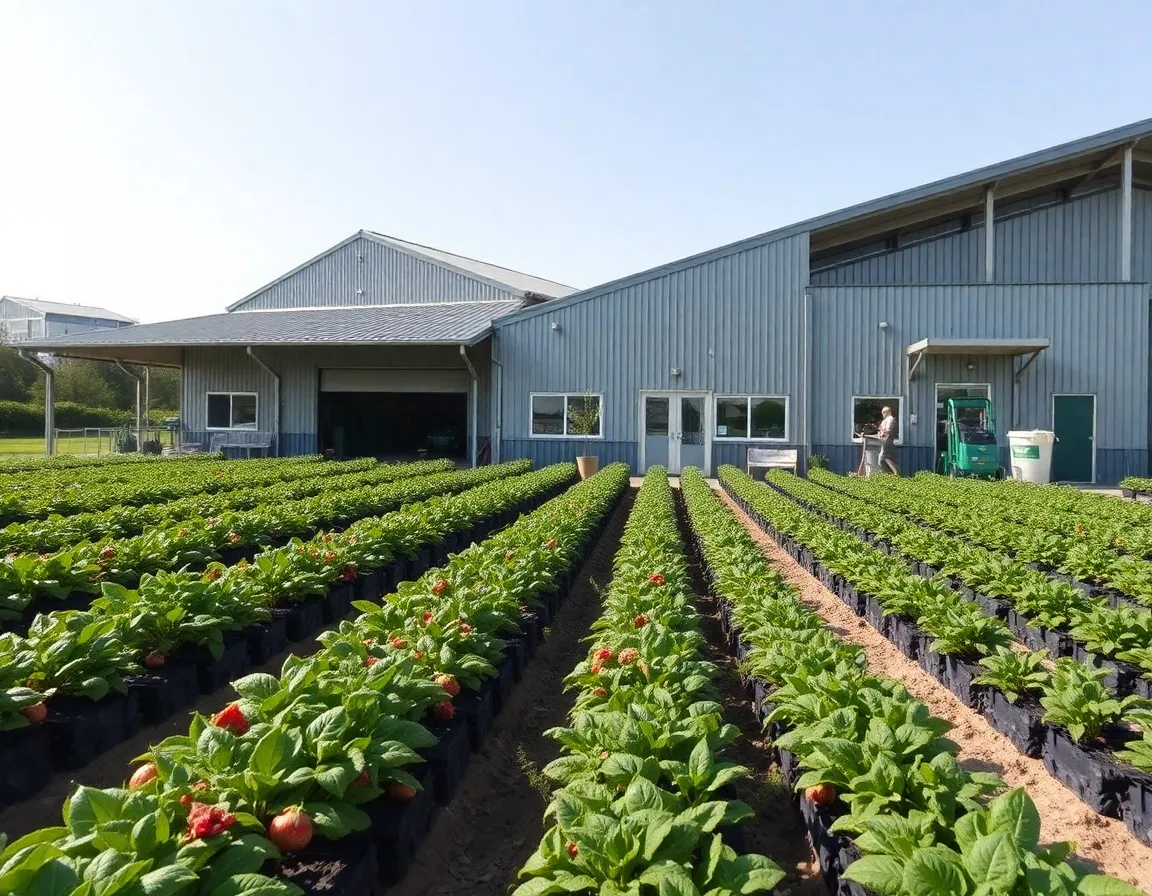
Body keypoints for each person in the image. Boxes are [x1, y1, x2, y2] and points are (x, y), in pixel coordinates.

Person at [878, 406, 899, 474]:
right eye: (882, 412)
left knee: (883, 458)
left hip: (887, 440)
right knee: (884, 458)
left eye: (884, 412)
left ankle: (895, 473)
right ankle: (891, 474)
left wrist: (882, 434)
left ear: (889, 412)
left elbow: (887, 430)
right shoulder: (886, 420)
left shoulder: (890, 419)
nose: (883, 414)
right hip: (885, 441)